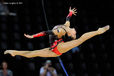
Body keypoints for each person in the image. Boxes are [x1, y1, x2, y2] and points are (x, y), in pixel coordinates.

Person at [4, 7, 110, 58]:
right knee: (34, 53)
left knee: (80, 40)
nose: (75, 33)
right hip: (54, 48)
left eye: (74, 34)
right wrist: (70, 13)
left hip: (59, 47)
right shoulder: (66, 27)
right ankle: (14, 52)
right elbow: (67, 19)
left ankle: (99, 31)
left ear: (69, 34)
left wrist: (33, 36)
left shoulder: (60, 31)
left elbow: (46, 32)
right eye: (74, 34)